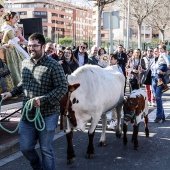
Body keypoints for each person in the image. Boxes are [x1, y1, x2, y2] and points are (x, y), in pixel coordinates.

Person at [2, 33, 68, 169]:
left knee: (46, 149)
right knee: (25, 148)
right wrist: (11, 92)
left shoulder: (54, 65)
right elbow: (23, 83)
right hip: (28, 115)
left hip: (48, 115)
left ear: (43, 47)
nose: (31, 48)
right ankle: (37, 166)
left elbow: (62, 88)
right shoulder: (25, 63)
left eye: (35, 46)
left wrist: (43, 100)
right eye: (29, 46)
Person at [1, 11, 29, 87]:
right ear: (10, 18)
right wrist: (18, 35)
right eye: (16, 17)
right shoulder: (8, 28)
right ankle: (17, 87)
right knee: (16, 69)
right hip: (10, 51)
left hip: (11, 50)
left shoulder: (8, 27)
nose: (17, 19)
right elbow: (13, 41)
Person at [107, 53, 124, 129]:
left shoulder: (118, 68)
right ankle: (115, 120)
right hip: (108, 89)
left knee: (115, 105)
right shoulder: (107, 67)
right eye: (110, 58)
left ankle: (114, 120)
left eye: (112, 59)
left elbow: (121, 78)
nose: (110, 60)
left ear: (116, 60)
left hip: (116, 89)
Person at [151, 47, 165, 123]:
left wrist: (162, 72)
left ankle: (159, 117)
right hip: (153, 80)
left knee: (157, 97)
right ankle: (162, 115)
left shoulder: (163, 60)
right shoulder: (153, 60)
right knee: (157, 98)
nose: (155, 52)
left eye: (157, 51)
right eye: (154, 51)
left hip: (160, 80)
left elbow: (168, 70)